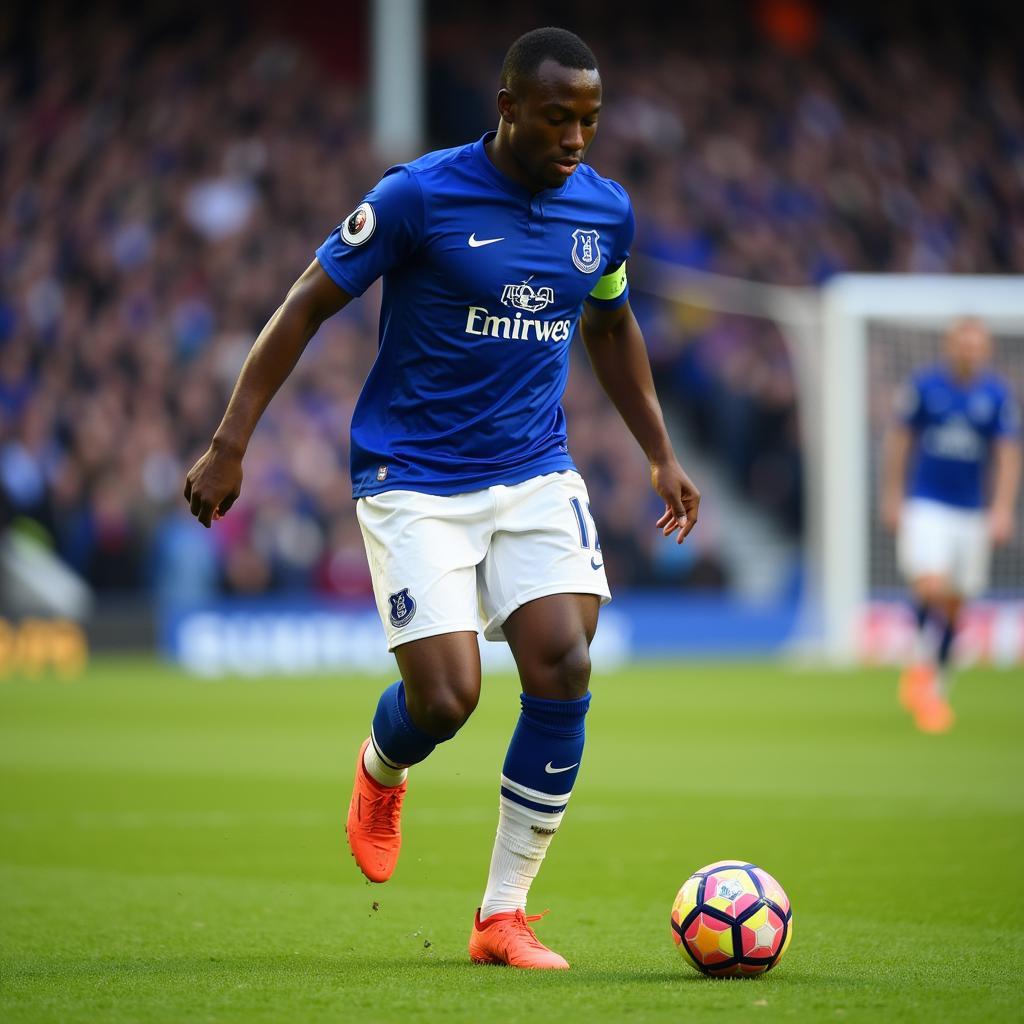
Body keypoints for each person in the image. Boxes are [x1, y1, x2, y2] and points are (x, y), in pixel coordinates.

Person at [183, 27, 699, 969]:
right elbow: (306, 301)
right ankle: (383, 768)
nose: (577, 138)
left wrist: (659, 453)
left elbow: (613, 324)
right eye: (557, 118)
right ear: (507, 109)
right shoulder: (420, 195)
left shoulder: (603, 212)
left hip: (535, 470)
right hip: (413, 478)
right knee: (449, 698)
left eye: (589, 119)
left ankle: (502, 916)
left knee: (564, 663)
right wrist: (230, 442)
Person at [880, 318, 1020, 733]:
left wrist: (1002, 508)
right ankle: (922, 673)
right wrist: (893, 495)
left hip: (972, 511)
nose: (970, 351)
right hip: (928, 505)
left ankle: (934, 687)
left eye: (977, 345)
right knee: (930, 585)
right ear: (950, 345)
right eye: (964, 343)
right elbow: (900, 440)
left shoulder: (995, 395)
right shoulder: (925, 387)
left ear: (986, 349)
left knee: (957, 605)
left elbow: (1008, 454)